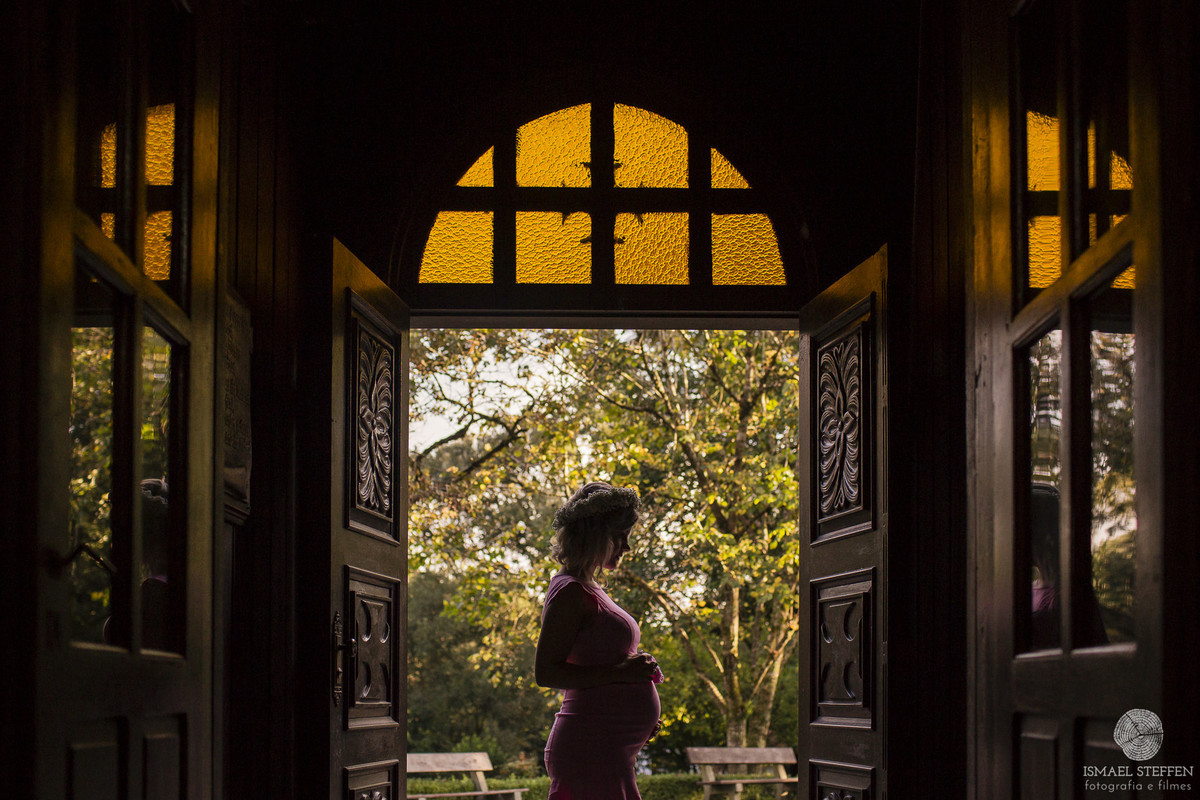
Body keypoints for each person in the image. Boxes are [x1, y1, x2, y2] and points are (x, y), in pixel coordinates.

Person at [536, 481, 663, 800]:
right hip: (589, 751)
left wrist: (633, 721)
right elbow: (547, 672)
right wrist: (621, 673)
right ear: (594, 534)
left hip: (606, 748)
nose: (626, 547)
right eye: (620, 537)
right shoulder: (569, 591)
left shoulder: (587, 587)